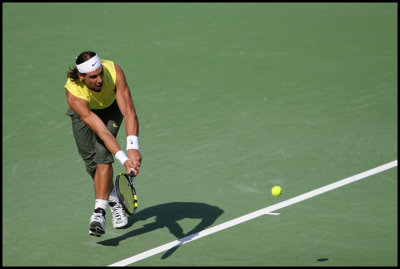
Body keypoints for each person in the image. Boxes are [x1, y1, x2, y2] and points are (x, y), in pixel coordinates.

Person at [64, 51, 142, 236]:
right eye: (93, 76)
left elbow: (129, 111)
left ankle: (99, 213)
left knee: (103, 156)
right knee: (90, 162)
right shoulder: (74, 94)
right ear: (81, 76)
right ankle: (113, 197)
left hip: (111, 109)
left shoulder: (115, 72)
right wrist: (124, 160)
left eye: (101, 73)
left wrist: (132, 148)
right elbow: (102, 132)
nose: (99, 79)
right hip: (86, 111)